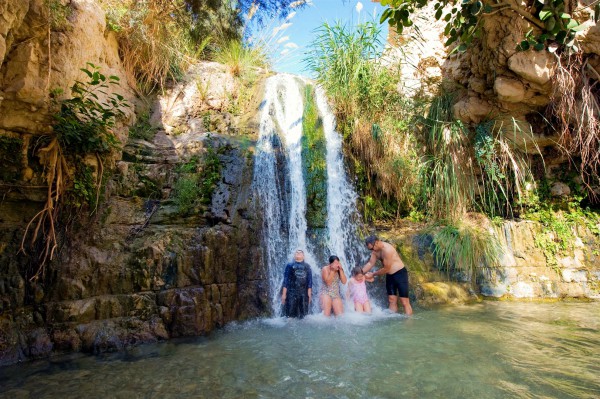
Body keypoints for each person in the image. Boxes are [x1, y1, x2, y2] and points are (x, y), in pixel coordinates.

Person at [362, 235, 413, 315]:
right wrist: (360, 273)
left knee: (404, 301)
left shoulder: (387, 250)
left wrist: (373, 274)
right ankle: (392, 320)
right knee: (391, 299)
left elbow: (386, 268)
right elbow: (370, 263)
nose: (372, 250)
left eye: (372, 248)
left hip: (400, 274)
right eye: (370, 249)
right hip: (390, 276)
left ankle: (409, 322)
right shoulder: (375, 251)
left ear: (377, 242)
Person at [281, 249, 313, 319]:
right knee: (290, 315)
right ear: (294, 256)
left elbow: (310, 281)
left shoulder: (307, 266)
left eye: (300, 252)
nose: (298, 253)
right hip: (291, 292)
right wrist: (284, 294)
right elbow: (285, 280)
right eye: (296, 252)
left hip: (303, 293)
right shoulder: (290, 265)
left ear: (303, 256)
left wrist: (309, 294)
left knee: (304, 315)